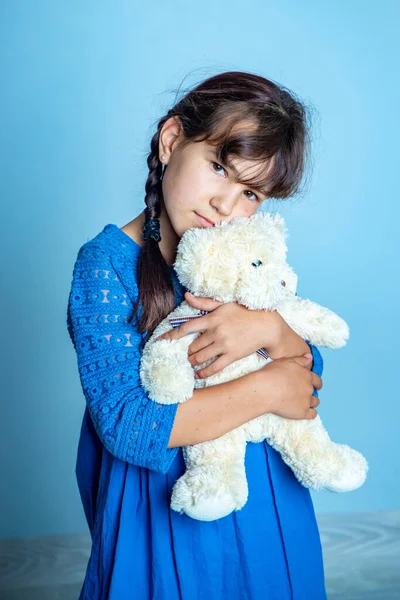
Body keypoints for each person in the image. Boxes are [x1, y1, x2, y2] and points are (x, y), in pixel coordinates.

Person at [66, 70, 327, 600]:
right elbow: (128, 423)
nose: (226, 207)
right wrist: (268, 388)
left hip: (264, 493)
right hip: (159, 504)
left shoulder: (237, 253)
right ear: (170, 141)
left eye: (251, 192)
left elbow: (306, 377)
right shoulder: (105, 266)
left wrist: (271, 329)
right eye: (217, 168)